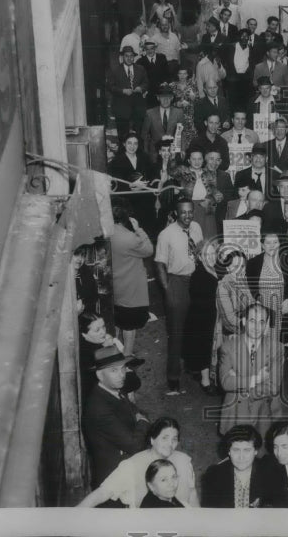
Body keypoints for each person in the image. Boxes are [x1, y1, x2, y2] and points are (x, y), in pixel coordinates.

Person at [78, 417, 199, 508]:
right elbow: (103, 492)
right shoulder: (132, 465)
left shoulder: (183, 461)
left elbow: (192, 493)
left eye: (174, 439)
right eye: (164, 438)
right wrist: (73, 515)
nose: (170, 444)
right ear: (152, 439)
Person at [154, 198, 203, 395]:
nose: (188, 216)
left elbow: (199, 251)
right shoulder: (166, 234)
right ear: (176, 213)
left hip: (196, 281)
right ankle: (173, 378)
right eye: (183, 212)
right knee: (176, 332)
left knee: (195, 327)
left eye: (190, 212)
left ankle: (194, 367)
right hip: (177, 281)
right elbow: (159, 264)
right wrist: (168, 289)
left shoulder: (197, 227)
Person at [81, 346, 149, 484]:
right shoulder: (99, 408)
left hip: (126, 463)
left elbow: (135, 410)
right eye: (114, 370)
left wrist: (140, 417)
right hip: (115, 478)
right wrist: (143, 422)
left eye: (123, 368)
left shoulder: (113, 388)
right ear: (100, 375)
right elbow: (134, 445)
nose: (122, 374)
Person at [217, 302, 284, 437]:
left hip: (264, 410)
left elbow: (274, 386)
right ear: (243, 321)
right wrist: (256, 379)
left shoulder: (276, 348)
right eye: (252, 321)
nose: (257, 327)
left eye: (261, 322)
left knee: (262, 453)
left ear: (266, 325)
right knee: (236, 450)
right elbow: (225, 382)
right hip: (236, 412)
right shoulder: (228, 347)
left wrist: (244, 389)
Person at [109, 206, 153, 357]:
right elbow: (148, 250)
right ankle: (127, 357)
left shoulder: (107, 233)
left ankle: (113, 355)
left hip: (114, 286)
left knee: (115, 323)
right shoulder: (129, 238)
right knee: (129, 326)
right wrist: (138, 229)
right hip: (130, 289)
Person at [201, 425, 271, 508]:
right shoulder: (213, 475)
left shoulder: (269, 473)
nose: (241, 457)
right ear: (229, 451)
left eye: (247, 450)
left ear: (255, 451)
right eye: (236, 450)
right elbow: (210, 514)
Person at [185, 240, 221, 394]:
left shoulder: (212, 270)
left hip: (208, 316)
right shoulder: (200, 276)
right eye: (207, 254)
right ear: (199, 256)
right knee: (206, 347)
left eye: (214, 253)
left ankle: (202, 373)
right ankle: (205, 382)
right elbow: (204, 303)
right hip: (203, 319)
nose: (211, 257)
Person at [108, 46, 149, 142]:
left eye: (131, 56)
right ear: (122, 57)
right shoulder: (115, 70)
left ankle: (139, 153)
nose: (129, 58)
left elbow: (146, 82)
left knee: (139, 133)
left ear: (134, 57)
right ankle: (123, 153)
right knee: (123, 135)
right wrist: (122, 91)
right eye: (127, 56)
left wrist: (141, 88)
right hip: (121, 107)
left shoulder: (140, 69)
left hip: (138, 106)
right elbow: (110, 86)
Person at [215, 248, 254, 338]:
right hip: (233, 335)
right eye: (235, 266)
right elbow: (229, 320)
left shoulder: (245, 283)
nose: (240, 270)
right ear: (228, 268)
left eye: (242, 266)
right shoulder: (223, 287)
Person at [142, 85, 186, 162]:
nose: (166, 100)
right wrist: (145, 153)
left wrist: (183, 150)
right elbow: (144, 135)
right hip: (155, 153)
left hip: (173, 152)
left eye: (168, 97)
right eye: (162, 97)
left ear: (172, 98)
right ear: (158, 98)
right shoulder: (150, 113)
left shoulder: (179, 112)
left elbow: (182, 133)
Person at [137, 39, 171, 108]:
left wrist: (166, 82)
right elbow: (139, 79)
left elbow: (168, 74)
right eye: (147, 49)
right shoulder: (140, 62)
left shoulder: (162, 58)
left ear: (155, 48)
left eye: (152, 48)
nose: (150, 51)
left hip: (161, 91)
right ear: (144, 50)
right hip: (148, 92)